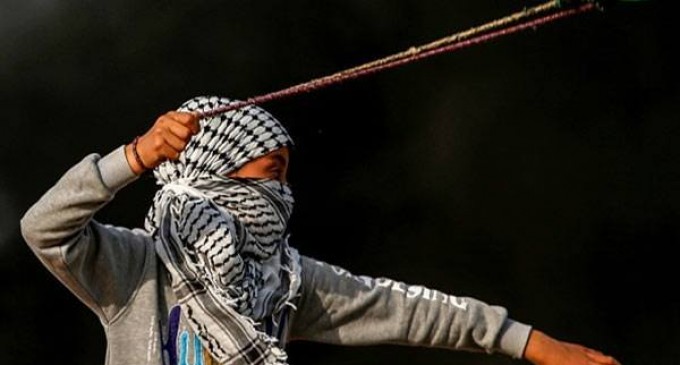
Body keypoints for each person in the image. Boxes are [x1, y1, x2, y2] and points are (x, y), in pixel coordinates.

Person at [21, 95, 621, 365]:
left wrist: (530, 342)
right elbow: (43, 230)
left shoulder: (287, 282)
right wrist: (135, 155)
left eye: (286, 178)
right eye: (270, 173)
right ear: (210, 171)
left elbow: (407, 309)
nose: (279, 196)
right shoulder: (133, 267)